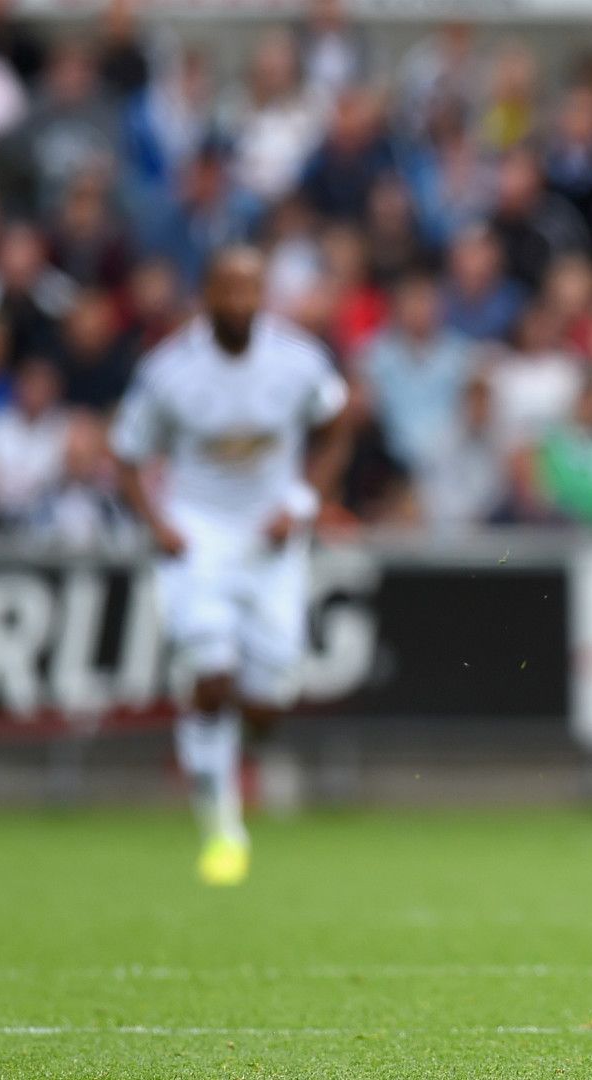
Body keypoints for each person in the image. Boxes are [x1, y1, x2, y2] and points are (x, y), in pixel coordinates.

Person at [110, 246, 352, 887]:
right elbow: (127, 454)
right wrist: (159, 524)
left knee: (269, 703)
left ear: (263, 296)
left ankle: (230, 736)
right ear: (206, 296)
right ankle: (222, 830)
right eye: (228, 291)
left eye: (251, 291)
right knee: (212, 677)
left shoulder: (297, 360)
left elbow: (338, 427)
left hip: (271, 538)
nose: (240, 303)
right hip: (199, 537)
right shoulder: (169, 370)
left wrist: (301, 501)